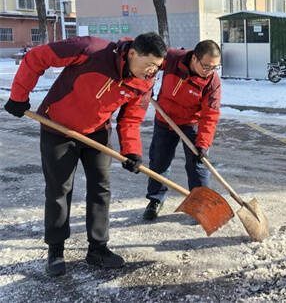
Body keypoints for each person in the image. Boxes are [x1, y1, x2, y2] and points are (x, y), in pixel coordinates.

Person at [3, 33, 167, 277]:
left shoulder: (145, 81)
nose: (151, 72)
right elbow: (37, 57)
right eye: (148, 66)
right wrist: (19, 96)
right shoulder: (91, 50)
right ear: (132, 53)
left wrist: (131, 150)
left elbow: (131, 117)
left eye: (156, 68)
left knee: (101, 188)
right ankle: (56, 251)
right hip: (57, 127)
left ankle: (98, 249)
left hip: (97, 132)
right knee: (59, 190)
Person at [143, 40, 222, 220]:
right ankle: (156, 199)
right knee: (159, 162)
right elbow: (149, 62)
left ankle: (201, 205)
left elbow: (210, 115)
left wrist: (202, 144)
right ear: (194, 58)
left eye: (215, 67)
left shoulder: (212, 82)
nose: (210, 71)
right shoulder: (173, 59)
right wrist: (145, 83)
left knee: (198, 165)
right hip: (164, 120)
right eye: (207, 66)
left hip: (191, 124)